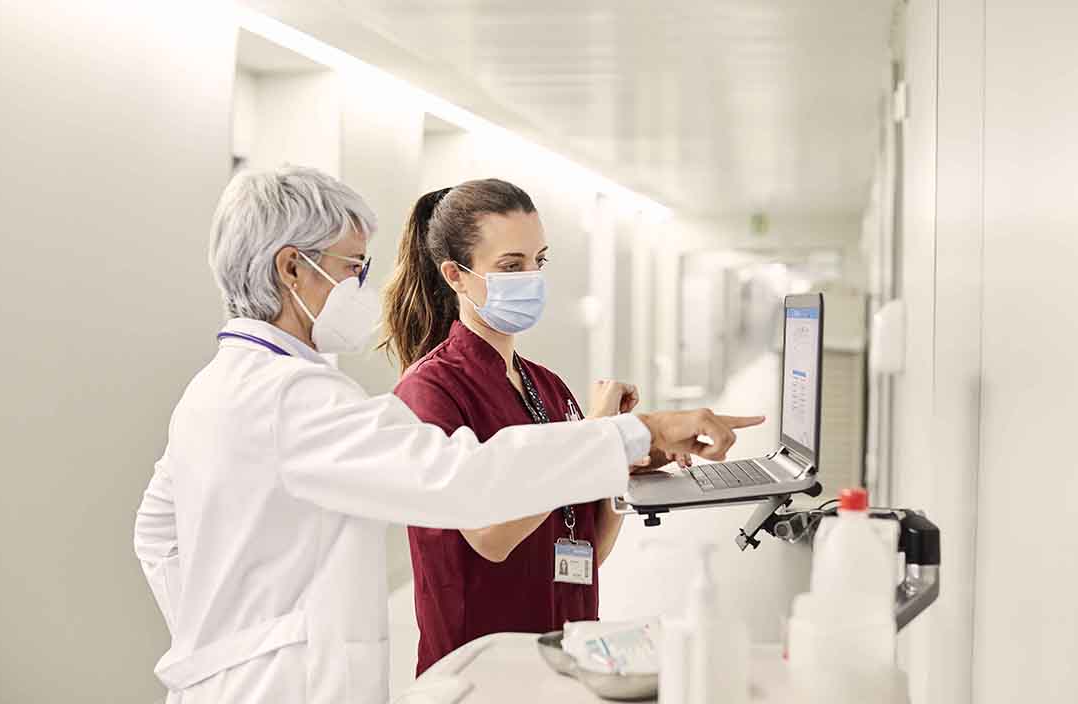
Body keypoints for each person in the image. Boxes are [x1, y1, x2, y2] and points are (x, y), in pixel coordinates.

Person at [133, 165, 764, 704]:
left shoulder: (215, 389)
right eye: (351, 266)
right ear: (293, 270)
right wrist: (634, 432)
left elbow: (156, 534)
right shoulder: (295, 398)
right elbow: (467, 483)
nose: (361, 284)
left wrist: (223, 635)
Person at [380, 180, 692, 675]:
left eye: (537, 261)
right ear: (455, 276)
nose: (530, 277)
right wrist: (593, 441)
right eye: (510, 266)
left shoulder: (547, 387)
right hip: (480, 664)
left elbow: (589, 548)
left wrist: (623, 467)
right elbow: (491, 538)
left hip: (566, 648)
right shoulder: (430, 392)